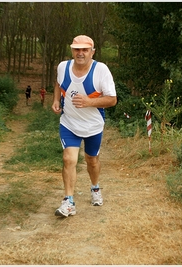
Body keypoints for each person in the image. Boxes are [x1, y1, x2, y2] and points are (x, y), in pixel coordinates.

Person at [51, 35, 117, 217]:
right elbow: (58, 83)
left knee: (91, 160)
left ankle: (95, 188)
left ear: (92, 52)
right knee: (68, 159)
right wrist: (56, 99)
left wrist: (89, 101)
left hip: (93, 125)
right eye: (76, 49)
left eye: (84, 50)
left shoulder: (101, 70)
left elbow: (112, 100)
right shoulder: (63, 67)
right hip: (69, 122)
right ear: (72, 50)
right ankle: (68, 201)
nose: (80, 53)